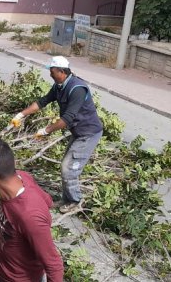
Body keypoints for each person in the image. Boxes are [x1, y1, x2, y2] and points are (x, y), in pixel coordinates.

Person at [10, 56, 103, 213]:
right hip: (78, 132)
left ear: (62, 71)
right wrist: (20, 114)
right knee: (66, 165)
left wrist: (45, 131)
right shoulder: (59, 86)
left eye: (52, 72)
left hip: (88, 133)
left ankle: (75, 201)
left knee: (68, 168)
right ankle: (67, 198)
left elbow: (67, 119)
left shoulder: (77, 89)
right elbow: (42, 102)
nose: (50, 74)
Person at [0, 138, 64, 282]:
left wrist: (27, 226)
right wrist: (4, 226)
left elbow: (54, 265)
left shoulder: (29, 216)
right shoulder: (21, 177)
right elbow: (48, 201)